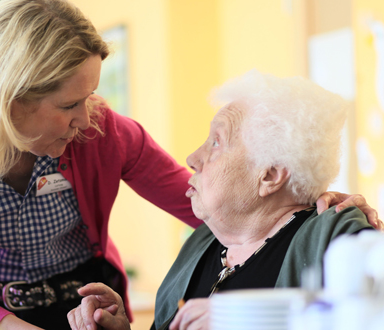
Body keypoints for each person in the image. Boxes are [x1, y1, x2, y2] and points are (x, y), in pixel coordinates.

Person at [0, 1, 378, 329]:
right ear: (9, 101)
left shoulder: (103, 129)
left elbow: (221, 202)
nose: (89, 117)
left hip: (88, 306)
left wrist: (316, 203)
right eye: (69, 104)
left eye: (92, 96)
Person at [66, 70, 376, 330]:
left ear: (269, 176)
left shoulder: (337, 236)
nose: (192, 158)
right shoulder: (202, 242)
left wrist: (241, 319)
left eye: (216, 142)